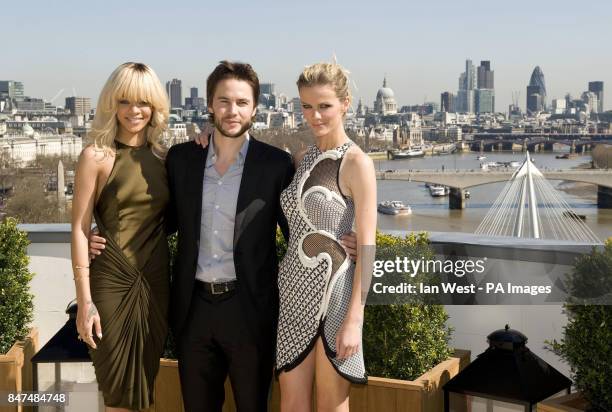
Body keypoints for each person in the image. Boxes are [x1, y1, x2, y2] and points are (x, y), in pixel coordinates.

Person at [90, 60, 358, 412]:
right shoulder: (182, 158)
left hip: (250, 311)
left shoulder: (275, 164)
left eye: (242, 103)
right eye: (224, 101)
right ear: (210, 105)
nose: (233, 111)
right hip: (193, 311)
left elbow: (299, 226)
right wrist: (104, 231)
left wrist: (342, 239)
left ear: (256, 108)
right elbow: (157, 217)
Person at [275, 63, 377, 411]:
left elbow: (368, 247)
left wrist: (354, 320)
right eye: (306, 106)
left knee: (332, 405)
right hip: (291, 295)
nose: (314, 115)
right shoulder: (303, 157)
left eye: (324, 106)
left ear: (345, 103)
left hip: (334, 297)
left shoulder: (357, 163)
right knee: (291, 402)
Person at [71, 62, 170, 411]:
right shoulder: (95, 157)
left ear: (155, 105)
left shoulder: (163, 157)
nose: (134, 111)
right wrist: (84, 302)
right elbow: (80, 230)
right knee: (117, 392)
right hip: (111, 283)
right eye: (125, 101)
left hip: (155, 281)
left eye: (143, 102)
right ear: (112, 103)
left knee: (146, 387)